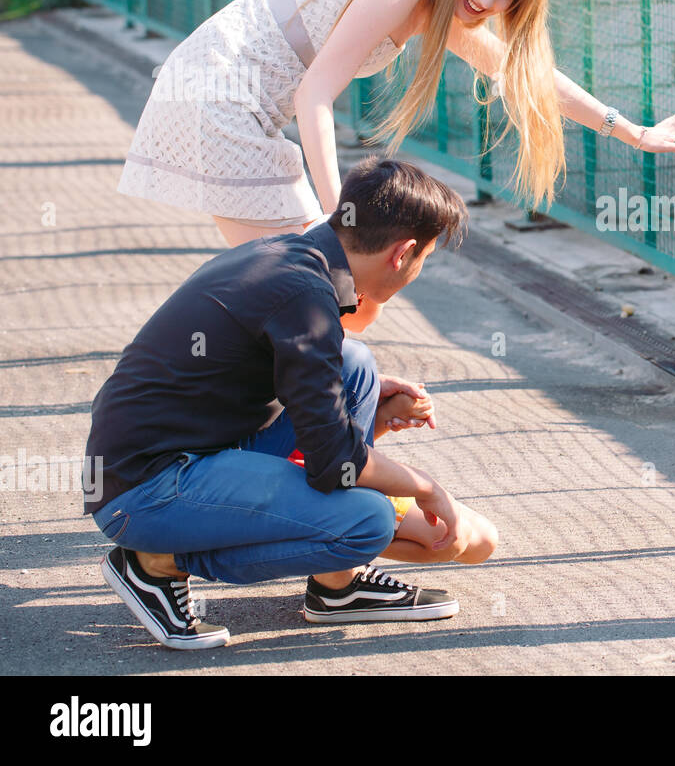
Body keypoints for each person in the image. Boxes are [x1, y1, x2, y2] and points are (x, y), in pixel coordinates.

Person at [117, 0, 675, 265]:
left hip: (225, 101)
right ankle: (279, 429)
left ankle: (282, 422)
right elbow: (314, 95)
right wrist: (337, 211)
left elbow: (525, 75)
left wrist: (630, 131)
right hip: (214, 96)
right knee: (312, 281)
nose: (487, 0)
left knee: (309, 288)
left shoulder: (441, 8)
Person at [84, 157, 497, 651]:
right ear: (403, 252)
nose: (419, 268)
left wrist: (362, 403)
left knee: (355, 367)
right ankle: (155, 563)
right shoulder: (305, 292)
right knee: (367, 519)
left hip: (174, 455)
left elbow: (319, 396)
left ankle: (337, 587)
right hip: (146, 491)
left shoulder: (291, 255)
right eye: (424, 257)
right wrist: (427, 490)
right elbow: (333, 466)